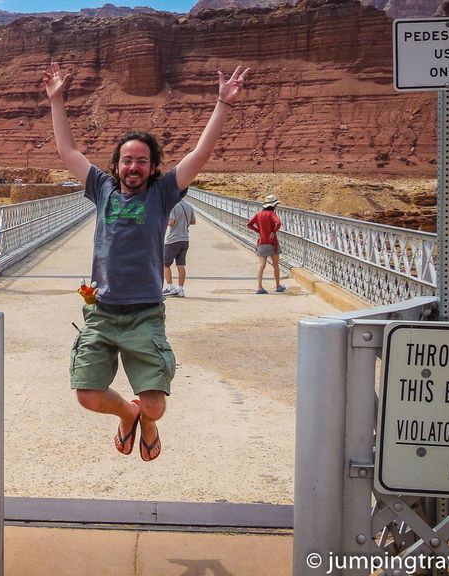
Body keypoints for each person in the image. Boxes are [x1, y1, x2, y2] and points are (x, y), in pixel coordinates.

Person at [43, 60, 250, 462]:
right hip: (101, 312)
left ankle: (147, 419)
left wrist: (223, 104)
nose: (132, 167)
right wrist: (57, 100)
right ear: (116, 165)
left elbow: (200, 154)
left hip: (144, 314)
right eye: (126, 160)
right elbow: (67, 150)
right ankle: (127, 413)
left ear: (152, 167)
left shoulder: (162, 193)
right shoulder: (101, 189)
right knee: (87, 395)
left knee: (156, 404)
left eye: (141, 161)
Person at [247, 194, 285, 294]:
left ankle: (259, 287)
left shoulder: (258, 214)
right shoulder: (272, 213)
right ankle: (278, 286)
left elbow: (249, 224)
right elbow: (278, 223)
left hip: (262, 242)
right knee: (275, 265)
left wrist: (258, 230)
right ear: (274, 205)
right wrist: (273, 231)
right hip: (272, 243)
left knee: (261, 265)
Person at [163, 199, 196, 298]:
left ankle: (170, 287)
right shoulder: (189, 206)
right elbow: (193, 221)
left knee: (165, 264)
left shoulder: (173, 205)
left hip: (172, 239)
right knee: (180, 265)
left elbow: (171, 222)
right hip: (185, 239)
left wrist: (163, 220)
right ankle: (180, 289)